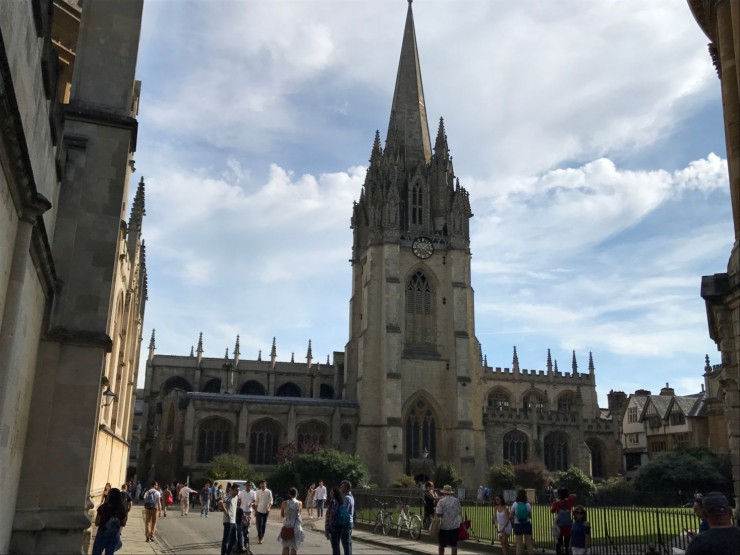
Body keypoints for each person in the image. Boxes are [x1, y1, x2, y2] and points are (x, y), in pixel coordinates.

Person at [91, 487, 127, 555]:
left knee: (96, 552)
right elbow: (123, 523)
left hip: (102, 533)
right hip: (114, 534)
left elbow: (97, 523)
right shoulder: (121, 508)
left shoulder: (103, 507)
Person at [435, 485, 462, 555]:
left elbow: (438, 513)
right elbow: (459, 511)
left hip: (444, 526)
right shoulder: (456, 500)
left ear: (444, 492)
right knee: (454, 545)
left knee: (441, 545)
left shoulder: (441, 501)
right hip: (454, 526)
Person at [278, 487, 304, 555]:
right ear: (297, 494)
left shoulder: (284, 503)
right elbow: (299, 515)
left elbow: (282, 515)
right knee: (294, 547)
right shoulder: (300, 503)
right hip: (296, 528)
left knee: (285, 547)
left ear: (289, 494)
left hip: (287, 526)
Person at [551, 488, 577, 555]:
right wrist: (567, 496)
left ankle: (558, 551)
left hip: (559, 524)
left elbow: (552, 511)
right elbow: (574, 496)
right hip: (567, 524)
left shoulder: (557, 503)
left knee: (559, 540)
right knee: (567, 539)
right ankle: (566, 551)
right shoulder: (569, 502)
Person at [325, 486, 350, 555]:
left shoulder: (333, 502)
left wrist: (329, 528)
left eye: (331, 492)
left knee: (335, 547)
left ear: (334, 493)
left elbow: (332, 515)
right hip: (340, 526)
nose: (330, 493)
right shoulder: (340, 501)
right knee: (337, 545)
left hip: (334, 527)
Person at [511, 489, 533, 555]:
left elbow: (511, 516)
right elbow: (530, 516)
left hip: (518, 524)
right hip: (526, 524)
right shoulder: (528, 504)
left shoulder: (515, 504)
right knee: (529, 544)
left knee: (519, 544)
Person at [219, 483, 239, 555]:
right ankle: (223, 553)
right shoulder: (228, 497)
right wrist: (225, 511)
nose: (238, 491)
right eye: (236, 490)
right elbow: (221, 502)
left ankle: (228, 552)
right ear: (232, 490)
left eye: (238, 490)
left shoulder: (236, 497)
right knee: (226, 539)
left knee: (234, 539)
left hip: (233, 521)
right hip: (228, 521)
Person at [237, 482, 257, 552]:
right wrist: (238, 508)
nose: (249, 486)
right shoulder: (241, 493)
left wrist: (252, 503)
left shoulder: (253, 493)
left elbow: (254, 501)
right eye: (248, 485)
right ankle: (242, 543)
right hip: (242, 511)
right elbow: (239, 501)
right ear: (245, 486)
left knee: (248, 526)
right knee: (242, 526)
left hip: (249, 511)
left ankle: (246, 538)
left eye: (250, 485)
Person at [254, 480, 273, 544]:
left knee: (264, 525)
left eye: (264, 484)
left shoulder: (269, 492)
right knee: (260, 524)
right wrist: (255, 511)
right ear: (260, 485)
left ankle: (262, 535)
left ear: (266, 485)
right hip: (259, 510)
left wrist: (269, 508)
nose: (262, 485)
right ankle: (260, 538)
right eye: (261, 484)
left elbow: (271, 501)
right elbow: (256, 501)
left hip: (266, 510)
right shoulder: (258, 492)